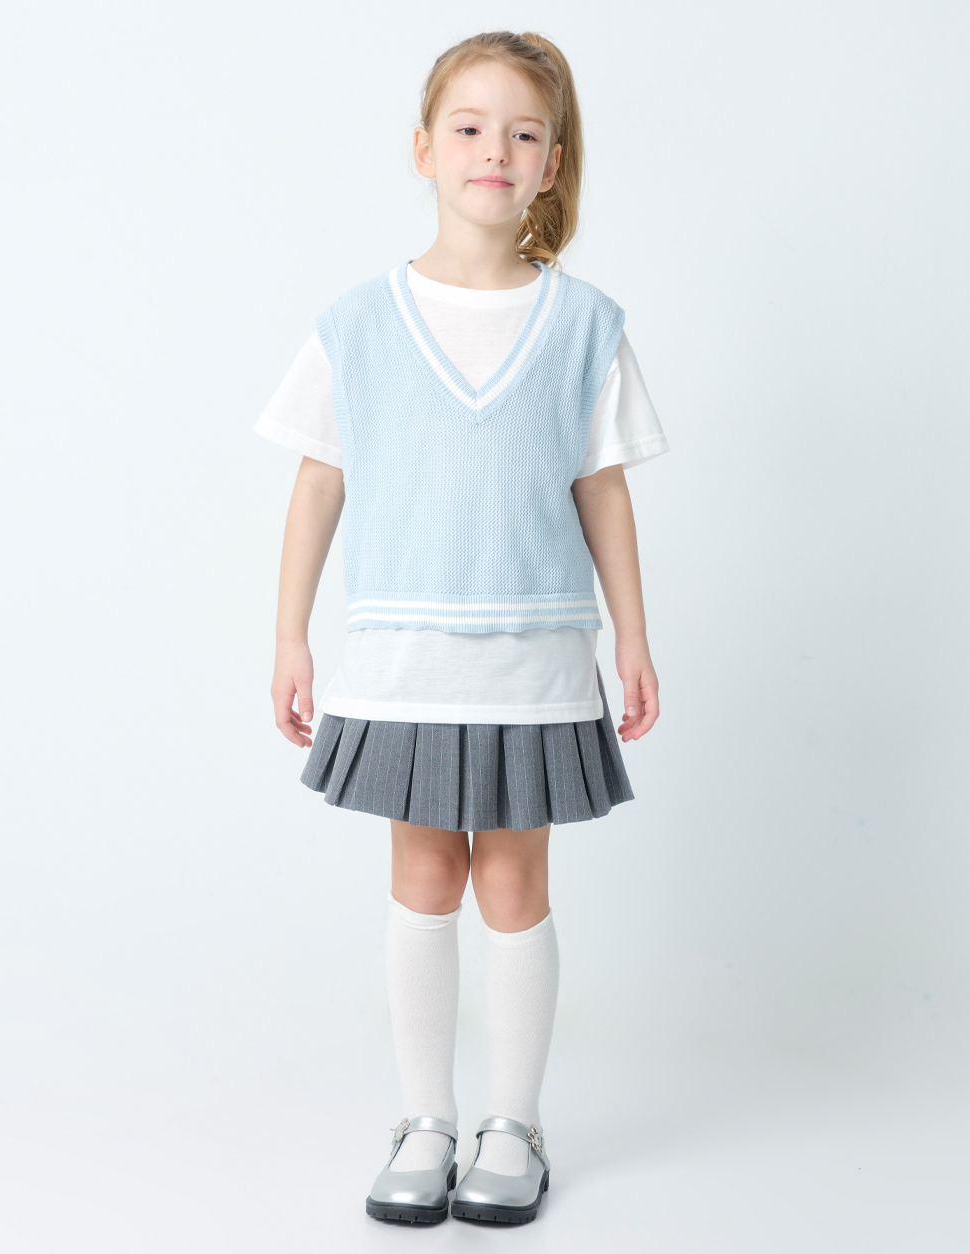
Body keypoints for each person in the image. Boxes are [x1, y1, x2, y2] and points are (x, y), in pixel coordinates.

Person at [253, 29, 669, 1226]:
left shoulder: (584, 324)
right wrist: (291, 639)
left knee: (515, 881)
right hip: (401, 659)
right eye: (472, 127)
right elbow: (318, 483)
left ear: (552, 164)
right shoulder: (357, 322)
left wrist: (632, 638)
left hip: (536, 659)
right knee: (425, 876)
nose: (496, 149)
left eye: (525, 132)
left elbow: (602, 491)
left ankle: (513, 1125)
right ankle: (424, 1119)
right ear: (424, 149)